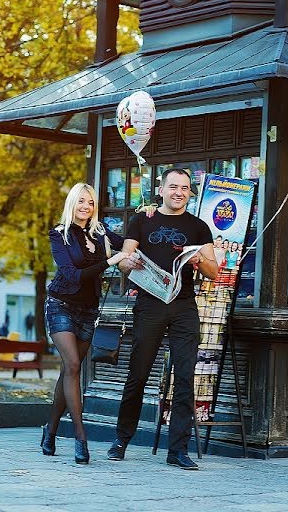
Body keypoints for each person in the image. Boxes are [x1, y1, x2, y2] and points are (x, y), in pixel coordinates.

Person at [107, 168, 218, 470]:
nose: (179, 192)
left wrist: (199, 259)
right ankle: (121, 439)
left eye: (184, 187)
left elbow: (214, 270)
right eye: (173, 187)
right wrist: (128, 262)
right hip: (150, 305)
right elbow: (125, 262)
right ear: (162, 188)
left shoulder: (198, 226)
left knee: (184, 377)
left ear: (189, 192)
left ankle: (178, 450)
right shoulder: (143, 219)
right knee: (138, 374)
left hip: (184, 307)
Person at [41, 182, 129, 465]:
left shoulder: (100, 232)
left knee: (69, 371)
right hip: (61, 306)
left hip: (88, 312)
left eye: (90, 202)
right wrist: (111, 262)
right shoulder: (60, 235)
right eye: (81, 201)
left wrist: (145, 220)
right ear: (72, 203)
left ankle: (50, 430)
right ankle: (81, 437)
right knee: (74, 367)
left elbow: (127, 244)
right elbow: (72, 275)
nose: (85, 207)